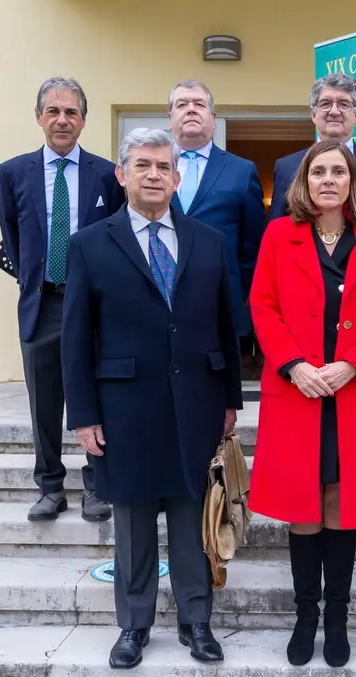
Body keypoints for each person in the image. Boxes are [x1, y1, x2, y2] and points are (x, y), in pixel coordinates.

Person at [61, 127, 243, 670]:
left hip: (196, 403)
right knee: (135, 523)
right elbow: (75, 336)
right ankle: (134, 628)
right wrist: (84, 413)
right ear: (122, 174)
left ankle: (196, 622)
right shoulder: (90, 243)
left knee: (191, 522)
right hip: (124, 409)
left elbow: (224, 325)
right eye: (142, 165)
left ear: (177, 176)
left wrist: (230, 397)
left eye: (163, 167)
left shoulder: (208, 241)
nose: (154, 175)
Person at [248, 140, 356, 668]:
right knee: (302, 508)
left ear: (353, 181)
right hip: (298, 391)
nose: (329, 180)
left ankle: (336, 617)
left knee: (341, 507)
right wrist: (294, 364)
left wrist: (352, 364)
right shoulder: (278, 235)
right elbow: (263, 307)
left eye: (339, 171)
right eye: (319, 172)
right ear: (305, 181)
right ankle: (305, 616)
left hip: (351, 393)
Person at [0, 76, 125, 523]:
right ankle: (50, 488)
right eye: (53, 111)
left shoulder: (108, 174)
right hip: (42, 302)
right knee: (44, 403)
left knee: (96, 398)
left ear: (84, 120)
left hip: (93, 306)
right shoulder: (13, 172)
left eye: (71, 112)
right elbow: (13, 238)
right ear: (39, 117)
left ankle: (97, 487)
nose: (62, 120)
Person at [167, 79, 265, 341]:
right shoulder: (151, 168)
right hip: (159, 302)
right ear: (170, 117)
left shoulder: (241, 171)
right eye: (182, 104)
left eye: (199, 104)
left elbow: (252, 246)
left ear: (212, 116)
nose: (190, 110)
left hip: (220, 305)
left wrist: (235, 291)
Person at [267, 73, 356, 235]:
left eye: (344, 104)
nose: (334, 111)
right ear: (313, 113)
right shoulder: (286, 167)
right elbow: (275, 234)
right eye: (325, 103)